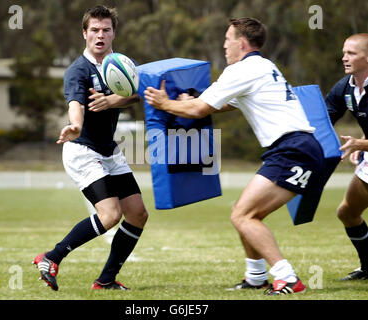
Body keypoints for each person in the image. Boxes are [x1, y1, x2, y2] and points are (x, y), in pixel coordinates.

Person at [144, 17, 325, 295]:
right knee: (246, 213)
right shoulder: (263, 66)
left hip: (293, 150)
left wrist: (164, 103)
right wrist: (187, 101)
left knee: (243, 216)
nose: (224, 46)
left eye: (227, 40)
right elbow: (222, 103)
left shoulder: (241, 70)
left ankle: (287, 277)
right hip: (300, 148)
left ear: (241, 43)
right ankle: (255, 277)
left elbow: (198, 110)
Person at [33, 5, 148, 291]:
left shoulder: (120, 64)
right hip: (82, 149)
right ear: (84, 33)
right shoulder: (77, 71)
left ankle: (106, 280)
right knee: (110, 215)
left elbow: (137, 93)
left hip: (109, 149)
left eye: (106, 30)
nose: (100, 35)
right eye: (94, 30)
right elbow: (76, 105)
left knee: (138, 213)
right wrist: (75, 125)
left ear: (113, 34)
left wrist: (113, 101)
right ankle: (51, 257)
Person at [325, 33, 368, 280]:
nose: (344, 58)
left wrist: (360, 144)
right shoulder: (345, 87)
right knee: (347, 213)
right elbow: (322, 120)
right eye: (344, 52)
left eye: (351, 53)